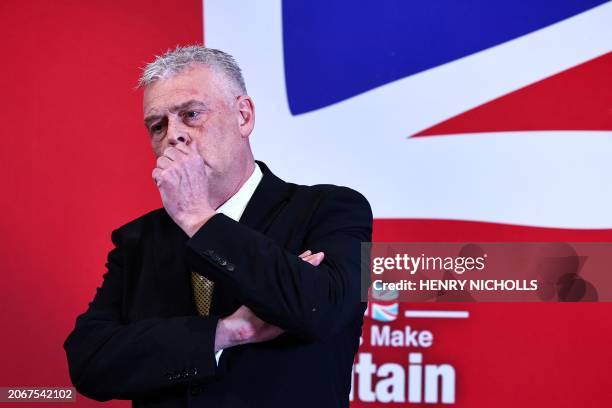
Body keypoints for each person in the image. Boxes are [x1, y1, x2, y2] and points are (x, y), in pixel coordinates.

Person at [64, 45, 372, 408]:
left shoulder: (334, 209)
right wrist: (226, 332)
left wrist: (198, 218)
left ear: (243, 116)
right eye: (157, 126)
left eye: (191, 114)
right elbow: (90, 363)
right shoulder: (138, 240)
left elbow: (325, 311)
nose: (172, 136)